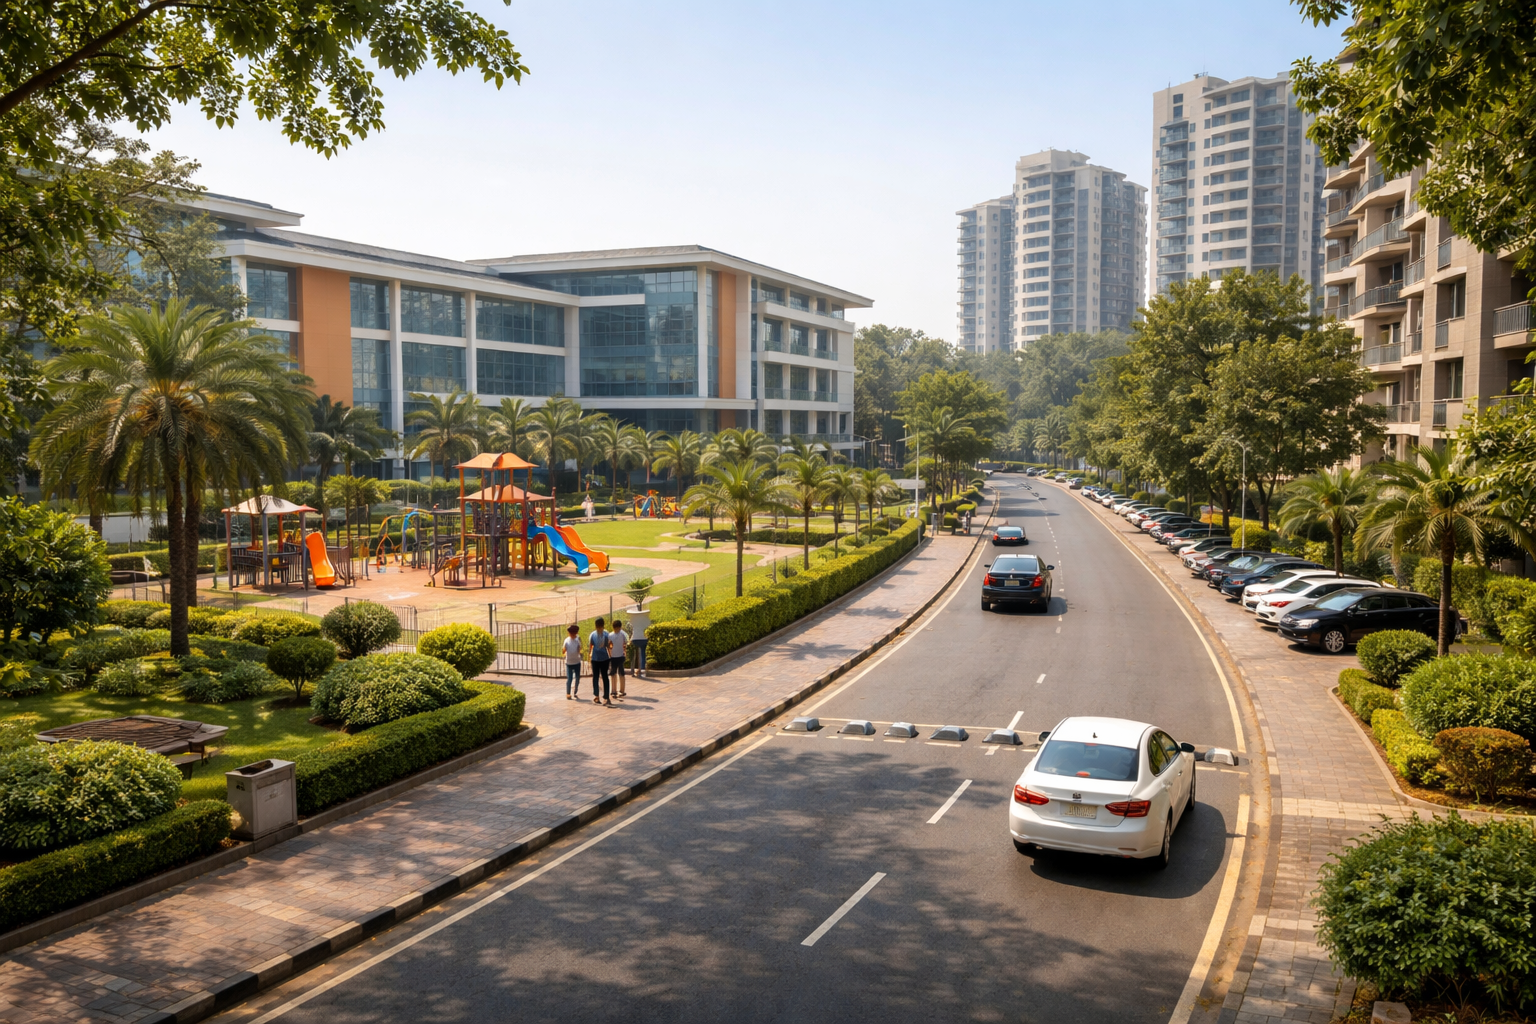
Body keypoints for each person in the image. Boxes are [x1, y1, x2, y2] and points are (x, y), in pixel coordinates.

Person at [588, 617, 611, 706]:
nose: (599, 628)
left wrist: (610, 656)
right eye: (598, 626)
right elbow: (591, 646)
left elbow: (609, 646)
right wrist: (589, 656)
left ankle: (606, 696)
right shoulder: (593, 635)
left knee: (605, 677)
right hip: (595, 659)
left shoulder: (606, 634)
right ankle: (596, 695)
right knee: (596, 677)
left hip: (604, 658)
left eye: (600, 626)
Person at [563, 623, 582, 700]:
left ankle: (575, 690)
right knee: (569, 678)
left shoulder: (577, 640)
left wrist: (579, 651)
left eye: (574, 633)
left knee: (577, 677)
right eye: (571, 633)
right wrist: (564, 651)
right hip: (569, 662)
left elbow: (579, 649)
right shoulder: (567, 640)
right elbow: (564, 650)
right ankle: (568, 693)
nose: (572, 635)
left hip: (577, 662)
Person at [609, 619, 627, 698]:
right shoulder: (610, 635)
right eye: (616, 628)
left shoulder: (622, 634)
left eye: (618, 628)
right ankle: (613, 690)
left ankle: (622, 690)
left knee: (621, 673)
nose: (617, 629)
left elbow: (624, 644)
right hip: (613, 657)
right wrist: (610, 654)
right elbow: (609, 646)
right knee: (613, 674)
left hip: (620, 656)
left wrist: (625, 652)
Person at [629, 606, 649, 677]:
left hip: (635, 639)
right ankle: (642, 669)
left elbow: (631, 629)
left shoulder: (633, 620)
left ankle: (633, 669)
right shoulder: (646, 620)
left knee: (633, 654)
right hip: (643, 638)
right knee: (643, 653)